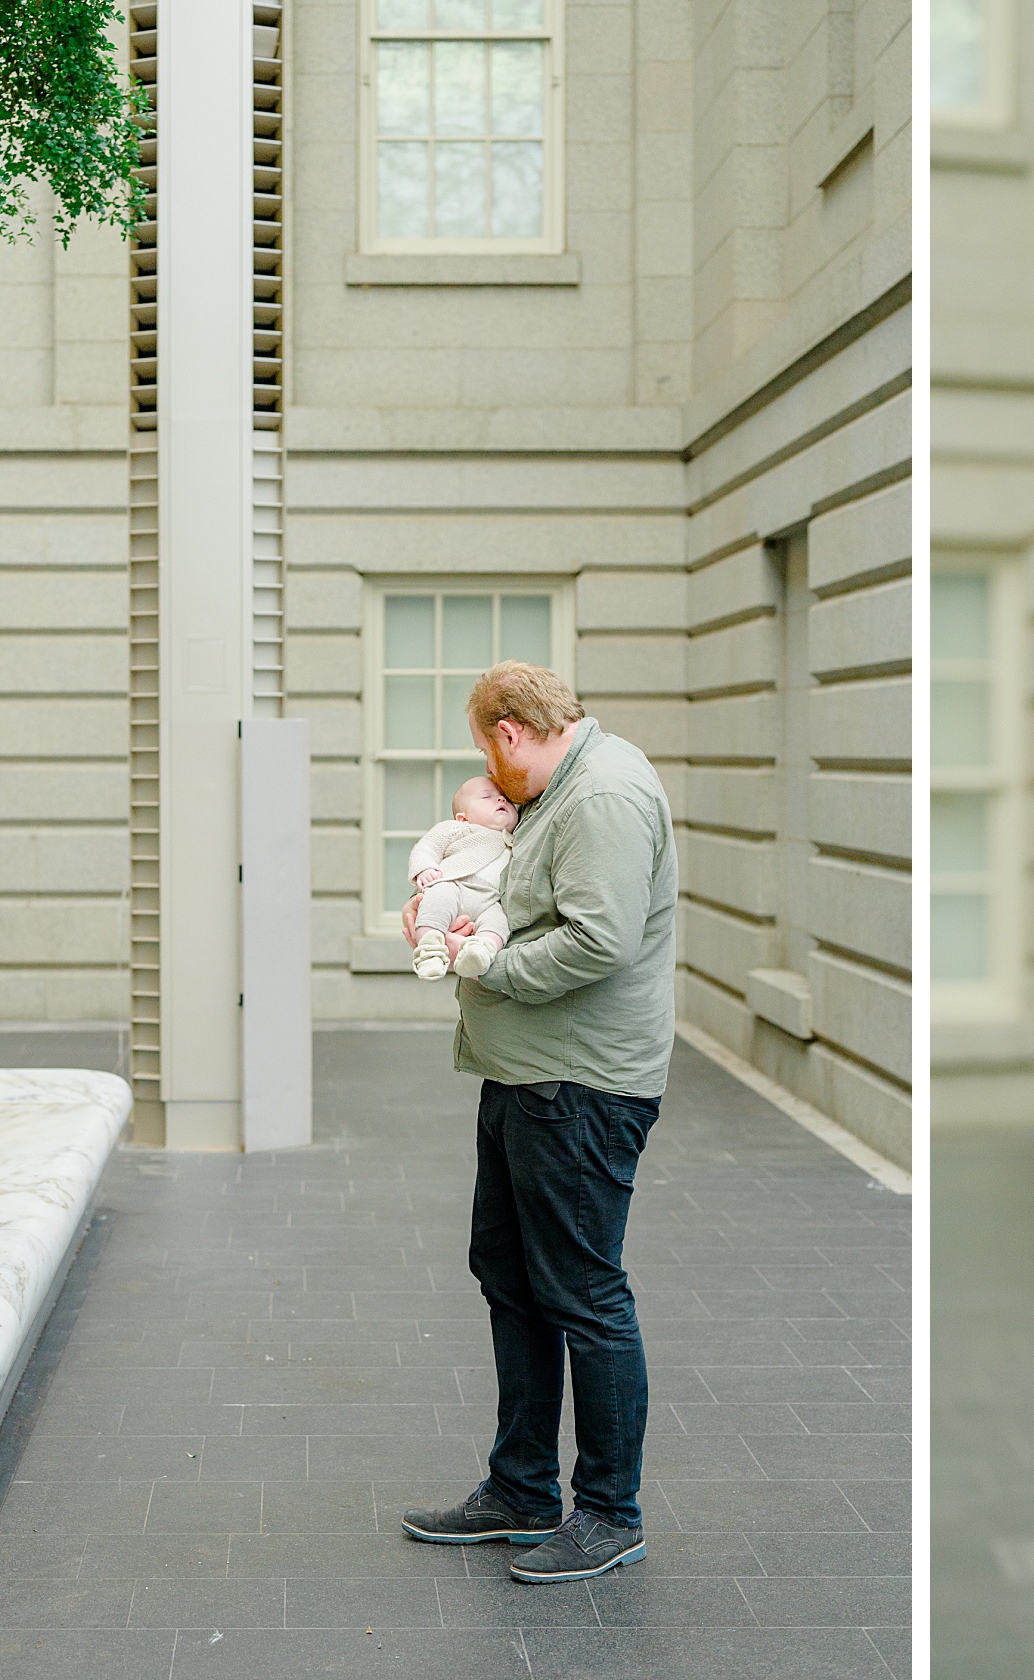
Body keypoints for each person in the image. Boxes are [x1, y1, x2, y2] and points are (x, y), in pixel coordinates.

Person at [395, 661, 678, 1585]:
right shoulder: (562, 789)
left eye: (488, 753)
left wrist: (487, 971)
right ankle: (522, 1490)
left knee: (584, 1295)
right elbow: (526, 903)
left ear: (511, 731)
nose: (491, 777)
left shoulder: (602, 795)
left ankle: (609, 1513)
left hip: (579, 1089)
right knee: (512, 1277)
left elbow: (600, 938)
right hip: (528, 1076)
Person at [405, 775, 518, 980]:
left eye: (506, 798)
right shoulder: (456, 829)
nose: (501, 800)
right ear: (463, 818)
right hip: (455, 884)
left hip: (490, 901)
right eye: (487, 797)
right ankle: (430, 950)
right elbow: (427, 847)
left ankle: (481, 951)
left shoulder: (517, 839)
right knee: (437, 900)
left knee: (499, 923)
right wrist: (424, 868)